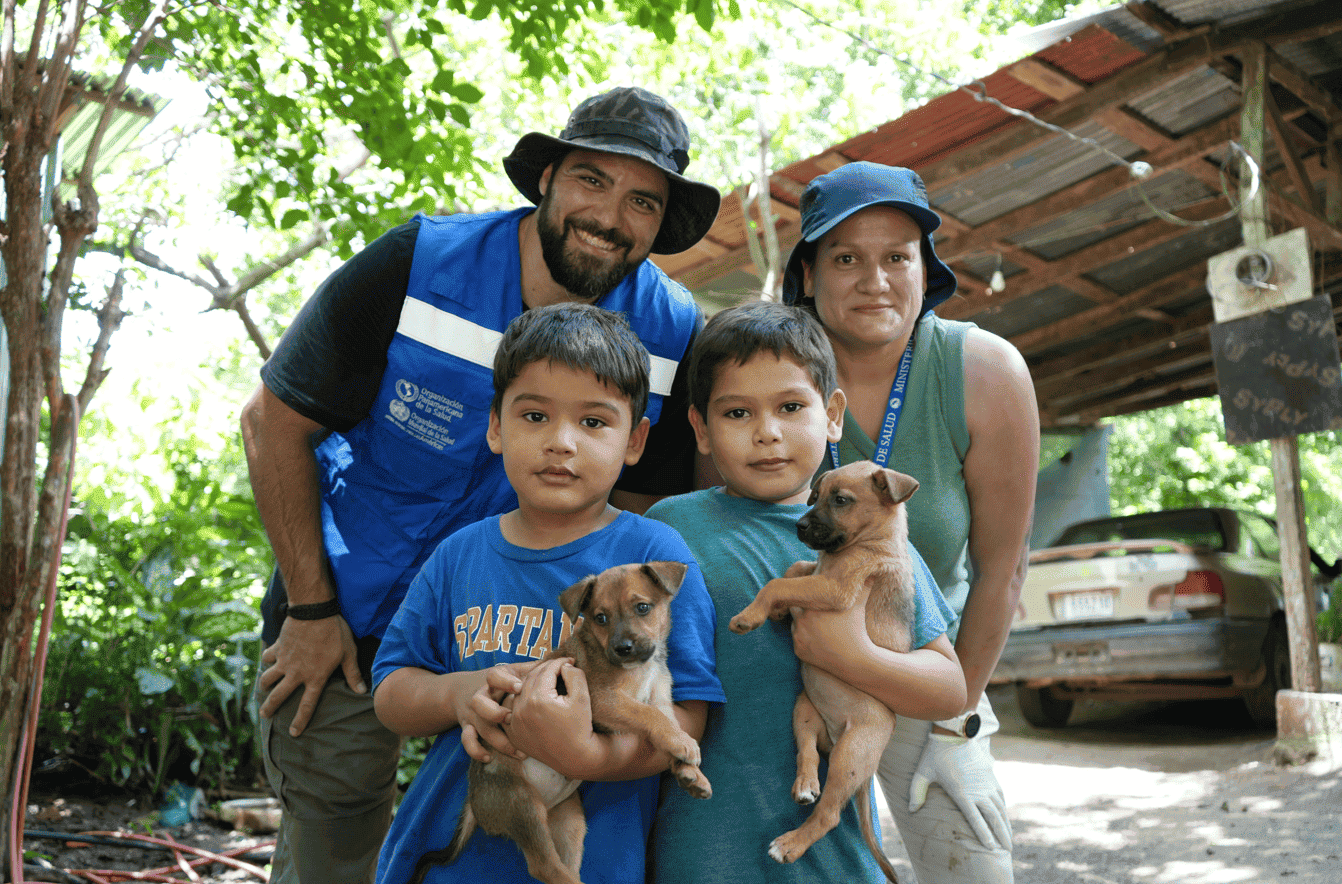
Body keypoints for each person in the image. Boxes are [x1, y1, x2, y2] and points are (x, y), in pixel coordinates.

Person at [238, 86, 721, 884]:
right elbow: (273, 423)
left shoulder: (670, 329)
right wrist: (311, 608)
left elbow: (637, 511)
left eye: (643, 199)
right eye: (591, 180)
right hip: (342, 615)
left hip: (523, 649)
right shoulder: (418, 263)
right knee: (335, 840)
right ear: (547, 180)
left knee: (482, 849)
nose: (610, 214)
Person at [370, 304, 723, 884]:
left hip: (595, 857)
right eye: (534, 415)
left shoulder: (657, 551)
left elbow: (687, 719)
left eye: (593, 422)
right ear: (495, 427)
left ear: (635, 441)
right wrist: (459, 694)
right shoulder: (459, 553)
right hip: (455, 860)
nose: (561, 442)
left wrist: (586, 756)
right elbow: (391, 692)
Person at [645, 300, 965, 883]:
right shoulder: (669, 528)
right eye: (737, 412)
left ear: (832, 414)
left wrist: (853, 657)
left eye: (791, 406)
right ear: (701, 429)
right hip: (700, 851)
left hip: (833, 862)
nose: (767, 433)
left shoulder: (879, 538)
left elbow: (949, 688)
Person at [783, 161, 1039, 883]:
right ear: (807, 273)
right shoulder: (765, 366)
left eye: (898, 256)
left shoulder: (983, 370)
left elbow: (1003, 568)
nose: (876, 279)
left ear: (925, 270)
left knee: (975, 870)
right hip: (794, 675)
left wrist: (959, 725)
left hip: (930, 679)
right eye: (846, 258)